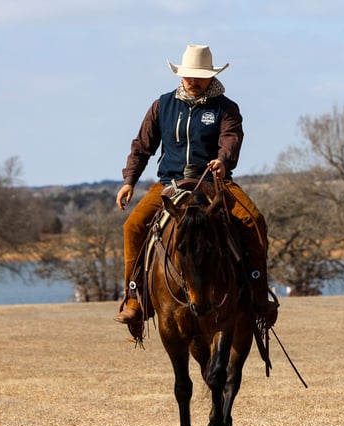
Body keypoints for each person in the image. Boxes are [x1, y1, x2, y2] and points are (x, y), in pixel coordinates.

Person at [114, 44, 277, 329]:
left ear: (211, 76)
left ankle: (257, 294)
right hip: (170, 183)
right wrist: (129, 181)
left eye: (199, 76)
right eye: (189, 75)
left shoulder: (226, 108)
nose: (193, 80)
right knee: (133, 226)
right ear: (180, 75)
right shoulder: (163, 105)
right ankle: (134, 299)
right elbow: (142, 146)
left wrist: (223, 161)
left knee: (254, 220)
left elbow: (231, 139)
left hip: (215, 182)